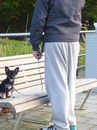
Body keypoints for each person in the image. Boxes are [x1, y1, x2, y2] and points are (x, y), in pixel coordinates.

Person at [30, 0, 85, 130]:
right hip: (73, 40)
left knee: (57, 86)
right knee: (69, 84)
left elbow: (39, 19)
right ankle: (71, 123)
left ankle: (60, 126)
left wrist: (35, 44)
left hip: (55, 39)